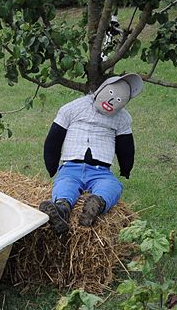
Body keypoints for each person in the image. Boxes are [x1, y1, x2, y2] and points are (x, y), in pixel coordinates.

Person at [40, 73, 142, 235]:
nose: (112, 102)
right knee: (65, 183)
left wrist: (126, 167)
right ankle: (61, 208)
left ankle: (97, 203)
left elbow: (126, 145)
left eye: (119, 100)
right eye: (110, 94)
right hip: (71, 166)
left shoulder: (122, 119)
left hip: (101, 171)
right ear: (101, 90)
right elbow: (54, 137)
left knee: (112, 185)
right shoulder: (73, 108)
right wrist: (51, 163)